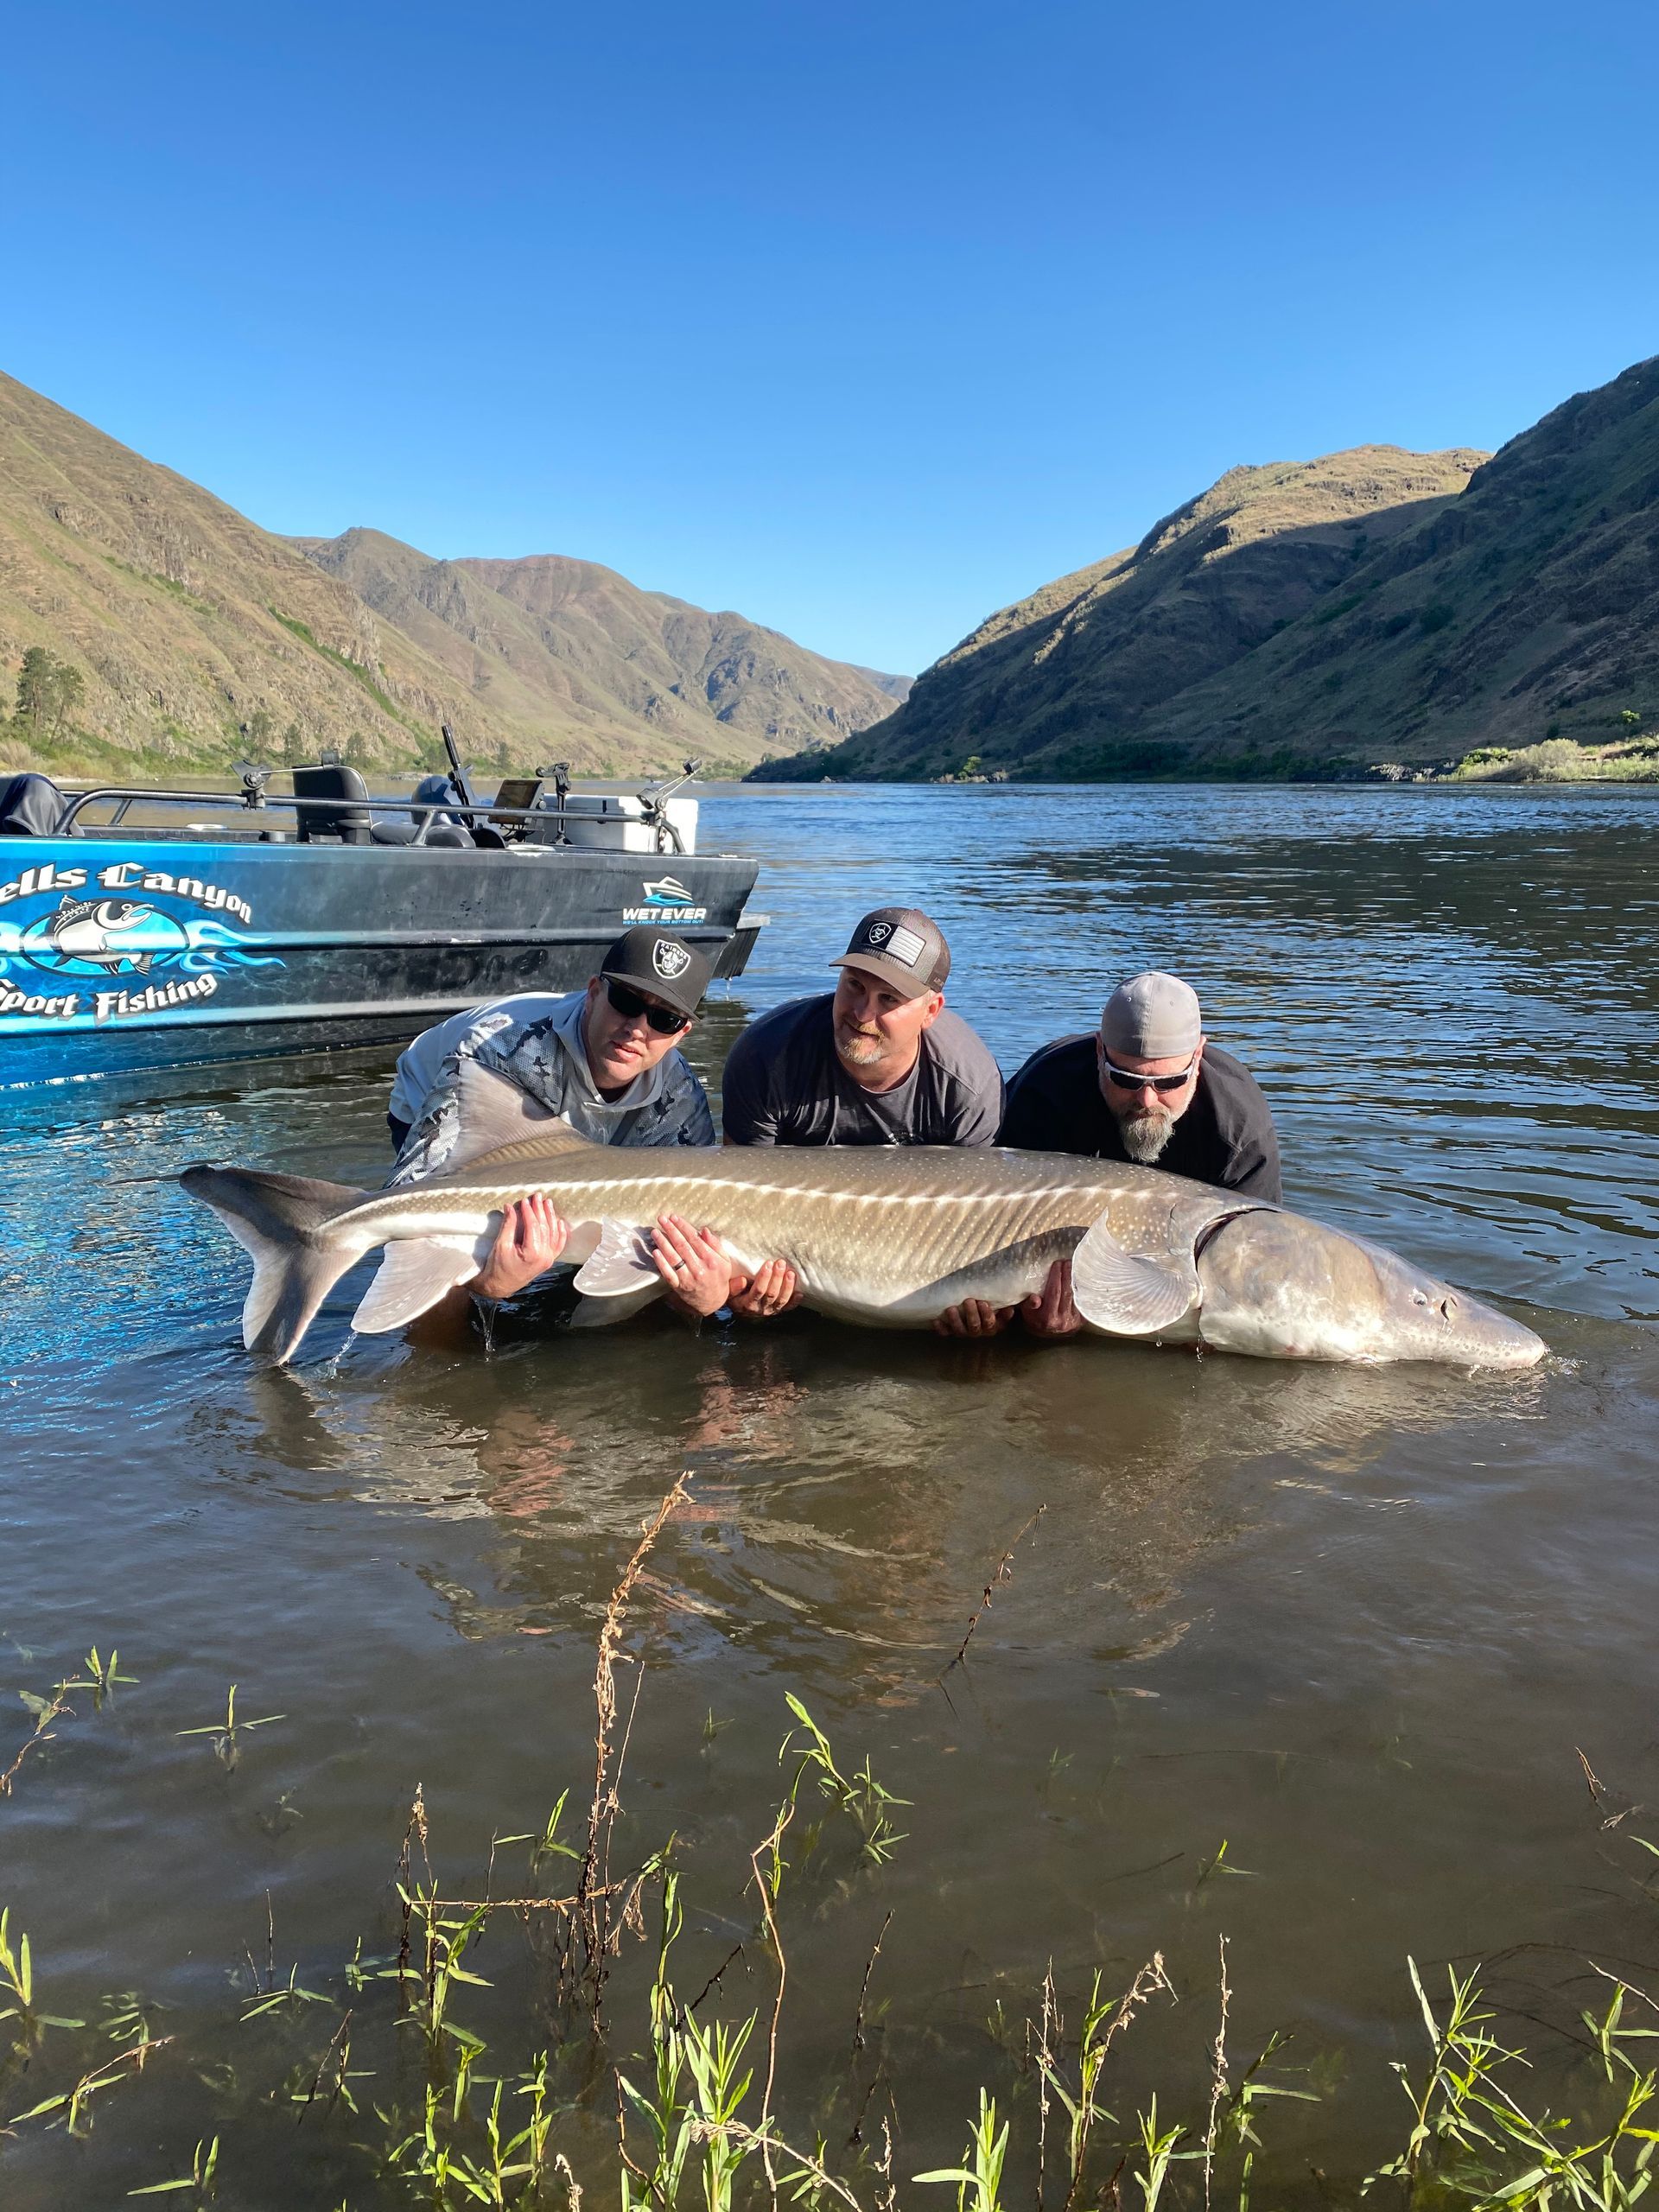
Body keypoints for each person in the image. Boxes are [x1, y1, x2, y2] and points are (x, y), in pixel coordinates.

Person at [664, 906, 1006, 1320]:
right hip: (790, 1256)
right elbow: (737, 1202)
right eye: (854, 985)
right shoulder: (767, 1054)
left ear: (931, 1011)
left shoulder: (968, 1087)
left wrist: (980, 1304)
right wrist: (740, 1290)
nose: (862, 1014)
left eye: (889, 999)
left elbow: (970, 1226)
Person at [387, 925, 717, 1314]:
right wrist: (486, 1281)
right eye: (627, 1001)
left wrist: (703, 1299)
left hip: (588, 1143)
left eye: (664, 1019)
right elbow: (408, 1198)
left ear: (682, 1033)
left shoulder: (680, 1096)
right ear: (594, 992)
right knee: (444, 1259)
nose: (637, 1028)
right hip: (450, 1094)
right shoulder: (501, 1048)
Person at [941, 970, 1281, 1340]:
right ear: (1100, 1051)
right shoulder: (1046, 1090)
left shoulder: (1239, 1130)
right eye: (1126, 1079)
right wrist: (1011, 1314)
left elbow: (1252, 1269)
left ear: (1198, 1055)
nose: (1147, 1100)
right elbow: (988, 1220)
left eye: (1169, 1082)